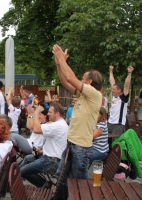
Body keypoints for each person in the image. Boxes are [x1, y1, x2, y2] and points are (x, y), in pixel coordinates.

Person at [52, 44, 103, 199]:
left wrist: (62, 59)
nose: (80, 79)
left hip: (81, 148)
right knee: (61, 179)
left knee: (80, 186)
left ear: (89, 82)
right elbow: (65, 81)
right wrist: (59, 63)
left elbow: (70, 77)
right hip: (72, 143)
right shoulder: (83, 95)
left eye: (83, 77)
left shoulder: (94, 94)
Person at [20, 102, 68, 188]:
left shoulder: (57, 125)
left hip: (52, 160)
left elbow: (36, 129)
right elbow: (57, 145)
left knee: (24, 171)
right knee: (27, 158)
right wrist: (42, 151)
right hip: (50, 157)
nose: (48, 114)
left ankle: (44, 184)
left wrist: (37, 112)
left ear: (57, 113)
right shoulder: (60, 124)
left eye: (50, 112)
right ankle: (17, 179)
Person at [108, 65, 134, 136]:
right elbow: (112, 81)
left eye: (114, 89)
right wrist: (111, 71)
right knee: (107, 142)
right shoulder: (114, 96)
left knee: (116, 143)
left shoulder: (123, 98)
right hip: (110, 123)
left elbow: (126, 86)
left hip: (118, 125)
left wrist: (129, 73)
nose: (112, 90)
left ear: (119, 90)